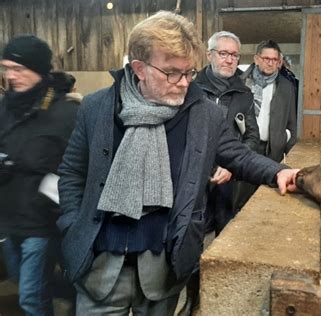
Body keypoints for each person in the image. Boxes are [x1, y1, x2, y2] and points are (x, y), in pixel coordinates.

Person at [57, 11, 299, 315]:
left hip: (162, 264)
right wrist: (70, 223)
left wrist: (279, 171)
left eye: (190, 72)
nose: (184, 83)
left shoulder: (203, 115)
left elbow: (239, 156)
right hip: (101, 262)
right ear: (139, 68)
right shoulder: (96, 109)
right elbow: (71, 173)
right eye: (172, 73)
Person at [0, 34, 79, 316]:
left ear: (38, 70)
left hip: (43, 223)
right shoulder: (4, 109)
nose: (11, 76)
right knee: (26, 284)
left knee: (30, 298)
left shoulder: (66, 114)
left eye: (19, 69)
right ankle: (69, 295)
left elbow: (78, 166)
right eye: (7, 68)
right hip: (9, 220)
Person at [195, 31, 259, 236]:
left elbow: (251, 136)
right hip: (195, 176)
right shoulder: (191, 89)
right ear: (209, 55)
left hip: (227, 178)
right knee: (193, 232)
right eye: (223, 53)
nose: (229, 60)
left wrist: (232, 164)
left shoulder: (244, 94)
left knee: (225, 232)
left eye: (234, 55)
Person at [236, 40, 297, 210]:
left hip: (271, 149)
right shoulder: (241, 82)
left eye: (274, 60)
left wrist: (287, 143)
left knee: (266, 196)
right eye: (266, 58)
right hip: (244, 147)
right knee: (240, 196)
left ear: (279, 62)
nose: (270, 63)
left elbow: (291, 120)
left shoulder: (286, 86)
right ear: (256, 59)